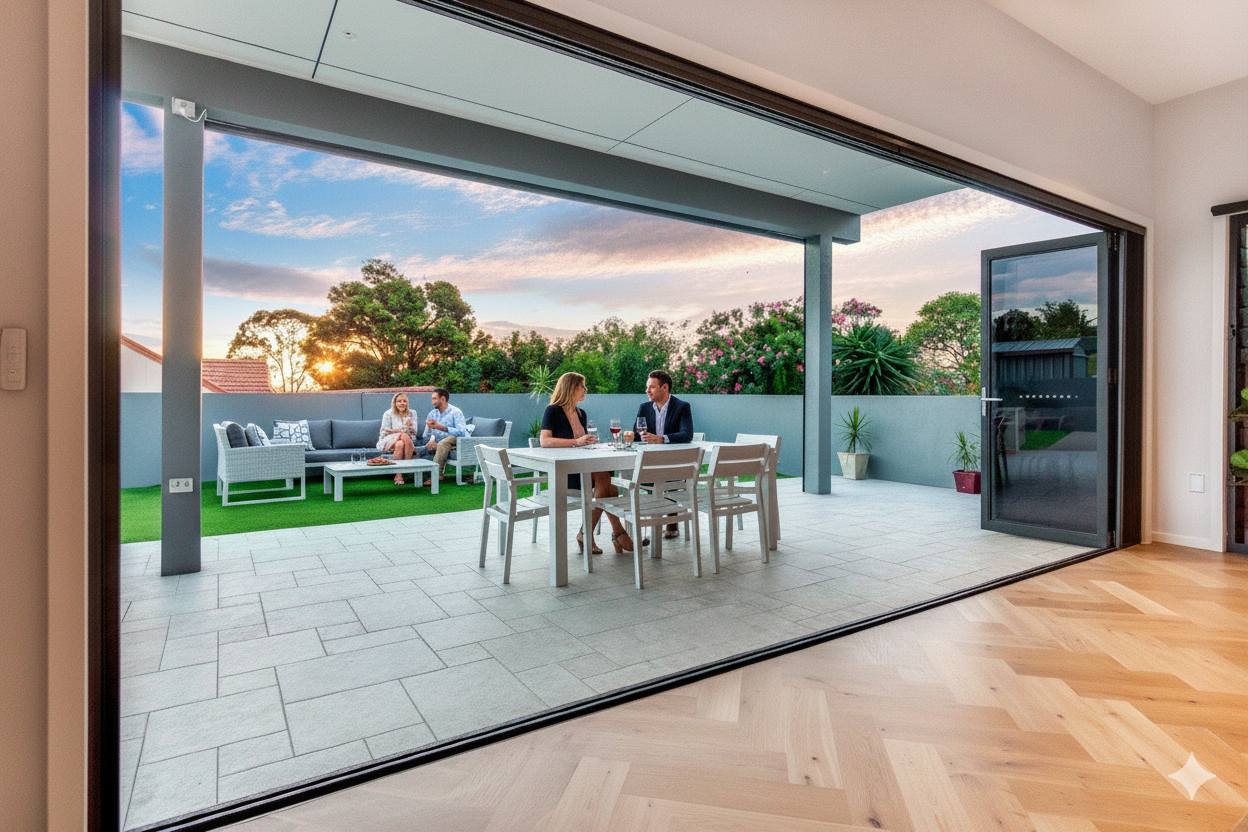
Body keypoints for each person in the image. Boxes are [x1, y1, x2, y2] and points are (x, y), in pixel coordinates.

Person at [540, 372, 634, 555]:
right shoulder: (553, 410)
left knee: (605, 481)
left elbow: (582, 442)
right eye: (582, 386)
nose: (585, 389)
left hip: (586, 469)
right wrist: (577, 441)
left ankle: (590, 534)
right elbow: (545, 441)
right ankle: (617, 533)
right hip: (566, 473)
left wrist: (588, 442)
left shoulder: (581, 413)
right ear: (571, 388)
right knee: (607, 484)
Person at [634, 370, 695, 539]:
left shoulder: (682, 407)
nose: (647, 391)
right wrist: (632, 435)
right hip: (651, 460)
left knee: (672, 476)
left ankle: (672, 522)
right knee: (642, 475)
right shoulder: (644, 407)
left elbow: (687, 434)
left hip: (673, 462)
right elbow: (636, 432)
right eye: (647, 387)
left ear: (665, 387)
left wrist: (662, 439)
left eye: (652, 387)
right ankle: (651, 520)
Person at [423, 387, 468, 480]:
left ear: (442, 399)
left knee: (443, 443)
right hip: (441, 441)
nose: (432, 401)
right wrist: (432, 440)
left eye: (434, 398)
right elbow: (427, 433)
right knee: (436, 444)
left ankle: (436, 475)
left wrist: (440, 427)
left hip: (457, 438)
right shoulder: (432, 413)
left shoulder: (455, 412)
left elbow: (461, 432)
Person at [378, 392, 420, 485]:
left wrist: (410, 427)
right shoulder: (388, 413)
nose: (402, 403)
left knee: (400, 444)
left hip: (407, 439)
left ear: (407, 403)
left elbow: (415, 432)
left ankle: (399, 474)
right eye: (399, 401)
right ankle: (408, 465)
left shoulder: (412, 413)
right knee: (403, 435)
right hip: (388, 439)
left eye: (404, 401)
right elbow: (386, 431)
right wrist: (402, 430)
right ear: (394, 403)